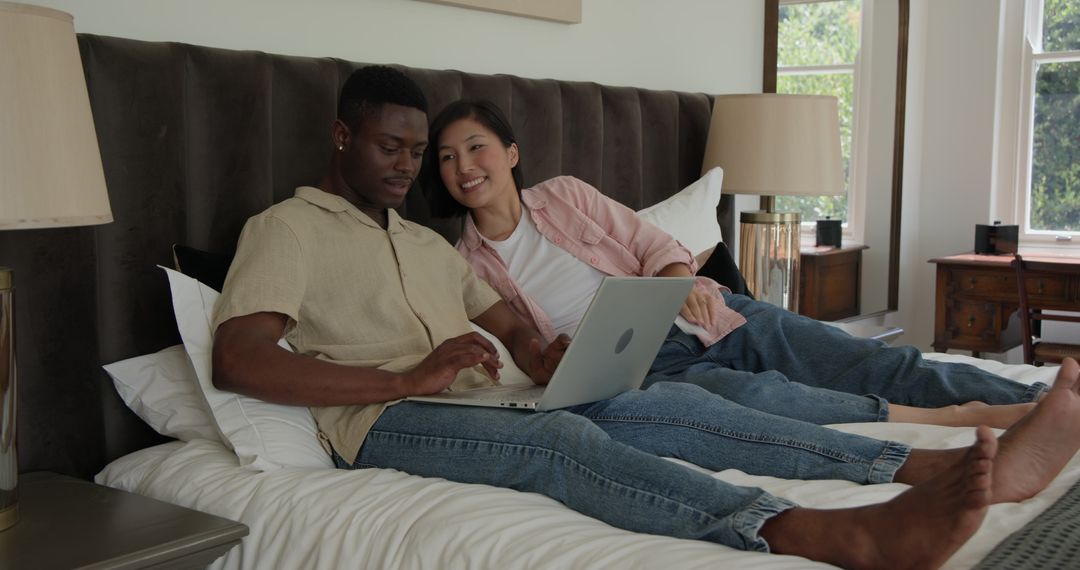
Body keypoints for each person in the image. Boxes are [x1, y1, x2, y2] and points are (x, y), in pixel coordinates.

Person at [211, 65, 1080, 568]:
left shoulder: (422, 242)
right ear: (341, 138)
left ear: (510, 154)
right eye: (395, 149)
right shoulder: (286, 229)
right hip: (381, 420)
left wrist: (545, 356)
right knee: (567, 443)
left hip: (507, 394)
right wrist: (407, 376)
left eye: (418, 150)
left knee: (662, 412)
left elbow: (509, 325)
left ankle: (932, 466)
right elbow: (239, 359)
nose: (410, 167)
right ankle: (826, 530)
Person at [423, 98, 1044, 430]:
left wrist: (681, 284)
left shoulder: (564, 195)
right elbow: (522, 348)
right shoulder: (463, 264)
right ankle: (954, 419)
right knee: (761, 399)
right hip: (642, 373)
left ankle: (1039, 400)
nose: (465, 166)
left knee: (859, 358)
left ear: (511, 153)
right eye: (447, 158)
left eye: (476, 147)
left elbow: (656, 245)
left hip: (706, 315)